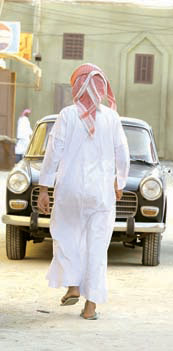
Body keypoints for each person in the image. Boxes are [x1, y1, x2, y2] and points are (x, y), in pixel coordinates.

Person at [37, 63, 129, 320]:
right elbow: (123, 153)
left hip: (69, 191)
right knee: (97, 247)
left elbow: (53, 153)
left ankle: (73, 285)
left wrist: (44, 188)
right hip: (101, 194)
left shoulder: (67, 115)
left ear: (77, 86)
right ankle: (90, 307)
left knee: (66, 236)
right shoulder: (111, 117)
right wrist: (119, 182)